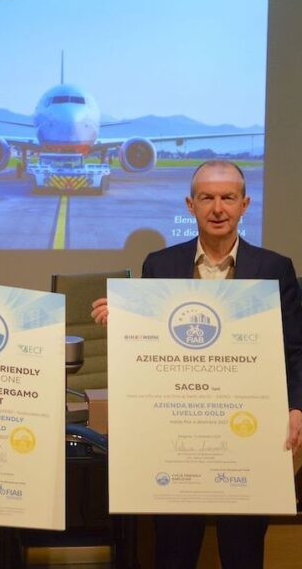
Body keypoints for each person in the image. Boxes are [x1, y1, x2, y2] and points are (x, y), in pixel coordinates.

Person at [91, 160, 302, 569]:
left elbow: (293, 348)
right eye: (207, 198)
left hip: (249, 430)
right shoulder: (160, 265)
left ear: (245, 204)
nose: (217, 208)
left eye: (228, 198)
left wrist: (297, 407)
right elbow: (150, 346)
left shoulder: (275, 268)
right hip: (176, 432)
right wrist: (125, 321)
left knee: (243, 551)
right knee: (174, 548)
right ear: (190, 205)